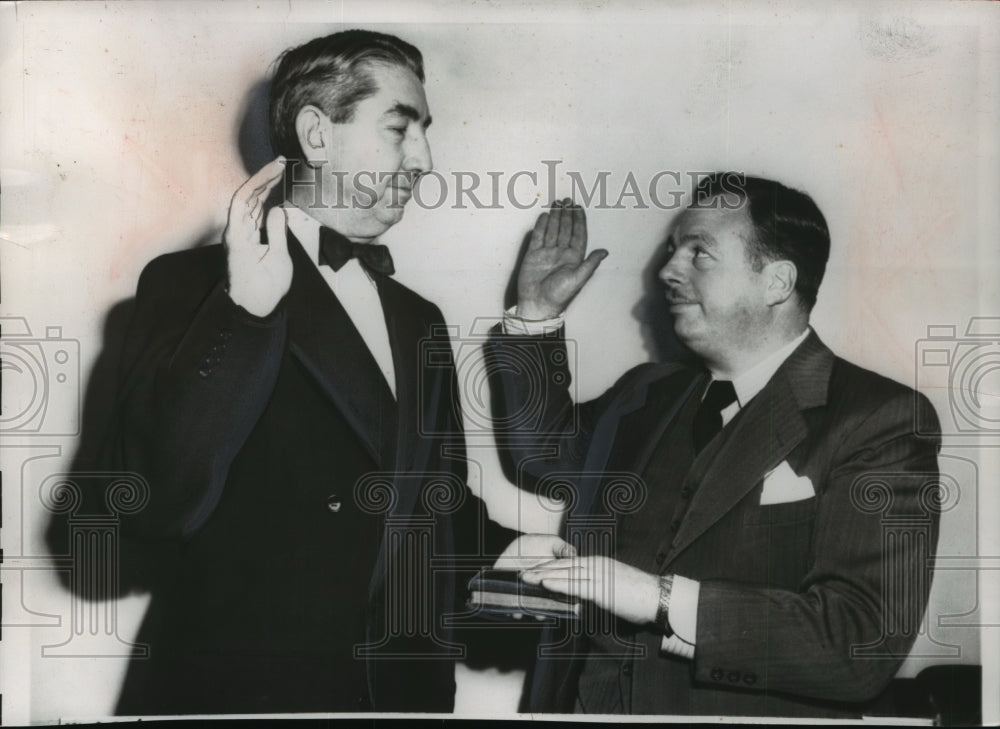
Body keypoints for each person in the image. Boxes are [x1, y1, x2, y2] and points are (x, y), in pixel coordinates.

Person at [96, 29, 512, 714]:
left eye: (425, 133)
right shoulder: (194, 284)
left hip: (401, 693)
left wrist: (513, 557)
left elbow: (432, 506)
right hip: (245, 694)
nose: (425, 160)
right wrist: (246, 312)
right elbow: (150, 500)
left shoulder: (420, 318)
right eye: (400, 129)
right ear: (317, 134)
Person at [488, 174, 942, 717]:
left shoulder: (880, 419)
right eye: (674, 248)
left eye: (699, 253)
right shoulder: (647, 391)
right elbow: (545, 455)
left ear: (776, 282)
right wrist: (536, 312)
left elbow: (858, 644)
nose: (667, 271)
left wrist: (656, 598)